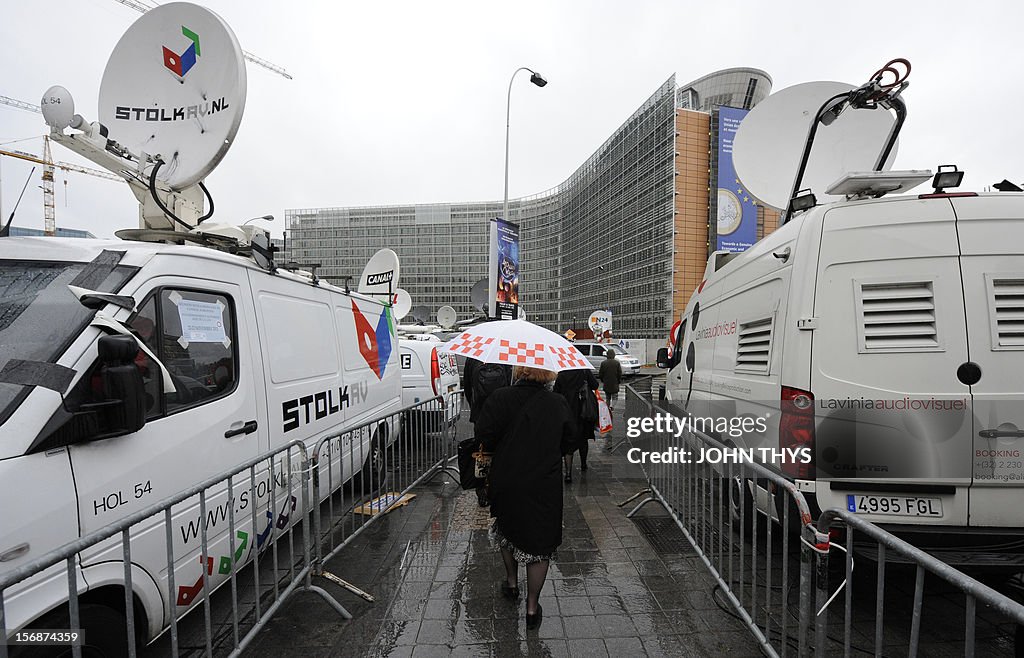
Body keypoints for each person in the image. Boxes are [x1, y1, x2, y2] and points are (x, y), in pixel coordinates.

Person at [475, 365, 575, 630]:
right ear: (548, 374)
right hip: (544, 483)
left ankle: (511, 582)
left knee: (507, 530)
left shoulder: (499, 398)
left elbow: (483, 435)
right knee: (540, 543)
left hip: (506, 478)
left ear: (519, 371)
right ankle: (532, 608)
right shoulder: (558, 403)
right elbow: (570, 442)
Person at [463, 357, 513, 506]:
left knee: (482, 452)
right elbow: (509, 385)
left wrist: (474, 406)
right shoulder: (505, 356)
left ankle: (481, 491)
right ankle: (498, 485)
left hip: (480, 413)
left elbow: (467, 386)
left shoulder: (472, 357)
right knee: (500, 450)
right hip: (501, 412)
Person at [553, 367, 599, 483]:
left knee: (569, 442)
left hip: (567, 410)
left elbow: (556, 391)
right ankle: (583, 464)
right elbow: (595, 385)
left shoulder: (562, 373)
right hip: (583, 411)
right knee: (583, 439)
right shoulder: (584, 370)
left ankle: (568, 473)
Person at [598, 349, 623, 451]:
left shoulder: (603, 363)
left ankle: (608, 407)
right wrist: (618, 380)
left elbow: (601, 374)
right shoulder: (616, 363)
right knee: (615, 396)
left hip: (607, 383)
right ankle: (613, 406)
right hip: (614, 382)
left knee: (608, 396)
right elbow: (619, 373)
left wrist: (603, 380)